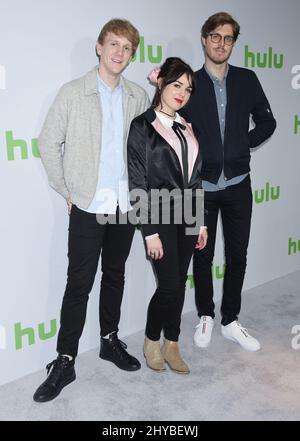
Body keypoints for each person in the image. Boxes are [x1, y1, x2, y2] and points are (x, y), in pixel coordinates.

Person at [33, 18, 150, 403]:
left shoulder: (137, 96)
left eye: (127, 47)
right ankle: (64, 359)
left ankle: (109, 340)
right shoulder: (73, 93)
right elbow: (48, 142)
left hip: (123, 206)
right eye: (113, 44)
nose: (119, 52)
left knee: (114, 275)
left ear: (132, 54)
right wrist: (67, 190)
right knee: (78, 283)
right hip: (88, 205)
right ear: (99, 47)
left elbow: (149, 148)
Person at [181, 12, 276, 351]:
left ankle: (230, 320)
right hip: (201, 189)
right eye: (215, 37)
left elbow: (268, 122)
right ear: (205, 39)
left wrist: (239, 143)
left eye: (228, 38)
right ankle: (205, 315)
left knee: (238, 255)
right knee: (202, 256)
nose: (221, 43)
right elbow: (173, 132)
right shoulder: (188, 83)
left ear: (234, 43)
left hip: (238, 184)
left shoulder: (247, 79)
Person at [127, 57, 208, 374]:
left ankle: (171, 342)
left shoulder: (188, 126)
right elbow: (137, 183)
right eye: (177, 84)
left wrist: (200, 220)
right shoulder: (142, 126)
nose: (182, 93)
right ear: (161, 82)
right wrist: (149, 232)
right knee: (169, 286)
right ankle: (151, 340)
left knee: (178, 282)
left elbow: (196, 178)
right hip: (159, 216)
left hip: (188, 215)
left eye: (188, 88)